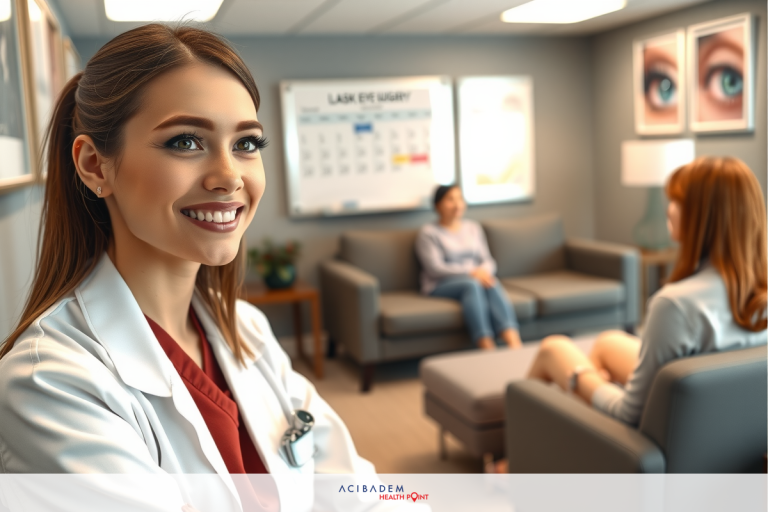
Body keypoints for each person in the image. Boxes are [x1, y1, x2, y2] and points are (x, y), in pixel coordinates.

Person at [0, 24, 424, 512]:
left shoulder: (246, 330)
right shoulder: (50, 383)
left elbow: (353, 488)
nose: (229, 176)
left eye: (246, 144)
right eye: (185, 141)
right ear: (96, 166)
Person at [527, 156, 767, 426]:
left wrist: (580, 378)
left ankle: (519, 459)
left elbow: (630, 415)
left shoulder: (675, 305)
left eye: (677, 201)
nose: (669, 209)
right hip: (726, 422)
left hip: (650, 446)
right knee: (608, 342)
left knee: (554, 349)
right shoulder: (759, 293)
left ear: (702, 216)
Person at [416, 185, 522, 350]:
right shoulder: (428, 233)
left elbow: (487, 260)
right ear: (437, 205)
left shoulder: (473, 228)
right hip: (440, 284)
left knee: (490, 281)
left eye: (460, 198)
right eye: (450, 200)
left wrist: (484, 272)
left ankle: (515, 344)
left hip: (474, 278)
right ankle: (486, 346)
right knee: (472, 285)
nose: (457, 204)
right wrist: (471, 272)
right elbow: (435, 268)